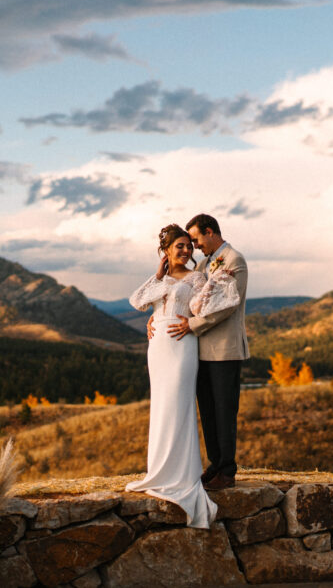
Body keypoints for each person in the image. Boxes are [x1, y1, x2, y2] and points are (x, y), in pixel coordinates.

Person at [126, 223, 240, 527]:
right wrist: (158, 278)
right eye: (180, 246)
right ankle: (160, 472)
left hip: (182, 344)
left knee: (180, 406)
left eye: (189, 245)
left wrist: (218, 284)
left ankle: (182, 475)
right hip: (158, 347)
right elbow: (138, 301)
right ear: (166, 251)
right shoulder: (160, 277)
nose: (187, 250)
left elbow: (205, 305)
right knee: (162, 408)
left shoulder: (197, 276)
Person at [153, 214, 249, 491]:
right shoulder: (206, 263)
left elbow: (227, 306)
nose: (194, 246)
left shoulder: (234, 261)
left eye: (195, 239)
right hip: (201, 349)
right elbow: (189, 298)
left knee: (224, 410)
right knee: (208, 410)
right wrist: (157, 317)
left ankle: (228, 471)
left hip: (224, 349)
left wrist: (191, 325)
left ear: (209, 232)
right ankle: (215, 465)